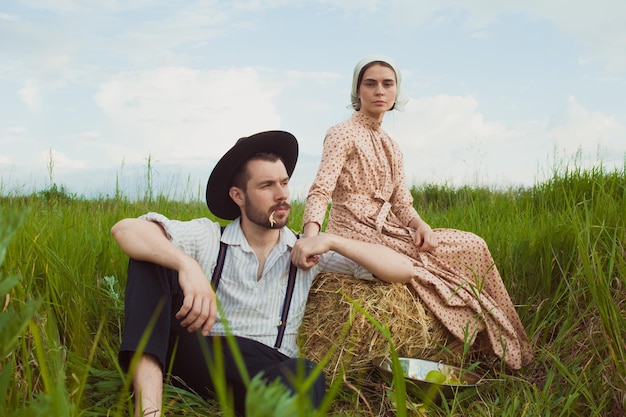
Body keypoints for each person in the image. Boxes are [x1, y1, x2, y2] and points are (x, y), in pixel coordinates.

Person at [112, 130, 419, 417]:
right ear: (238, 196)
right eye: (266, 186)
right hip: (201, 355)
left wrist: (332, 240)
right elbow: (126, 229)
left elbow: (404, 269)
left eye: (284, 183)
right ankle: (149, 410)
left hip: (266, 368)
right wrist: (186, 265)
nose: (281, 195)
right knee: (150, 258)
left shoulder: (308, 250)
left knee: (307, 374)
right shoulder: (208, 237)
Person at [298, 55, 533, 370]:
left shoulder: (392, 146)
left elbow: (401, 202)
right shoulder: (342, 133)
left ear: (396, 91)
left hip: (391, 227)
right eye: (370, 84)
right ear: (357, 91)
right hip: (354, 229)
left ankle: (501, 343)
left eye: (387, 83)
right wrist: (312, 237)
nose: (379, 90)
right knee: (431, 272)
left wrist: (420, 224)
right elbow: (321, 189)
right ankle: (482, 342)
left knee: (472, 244)